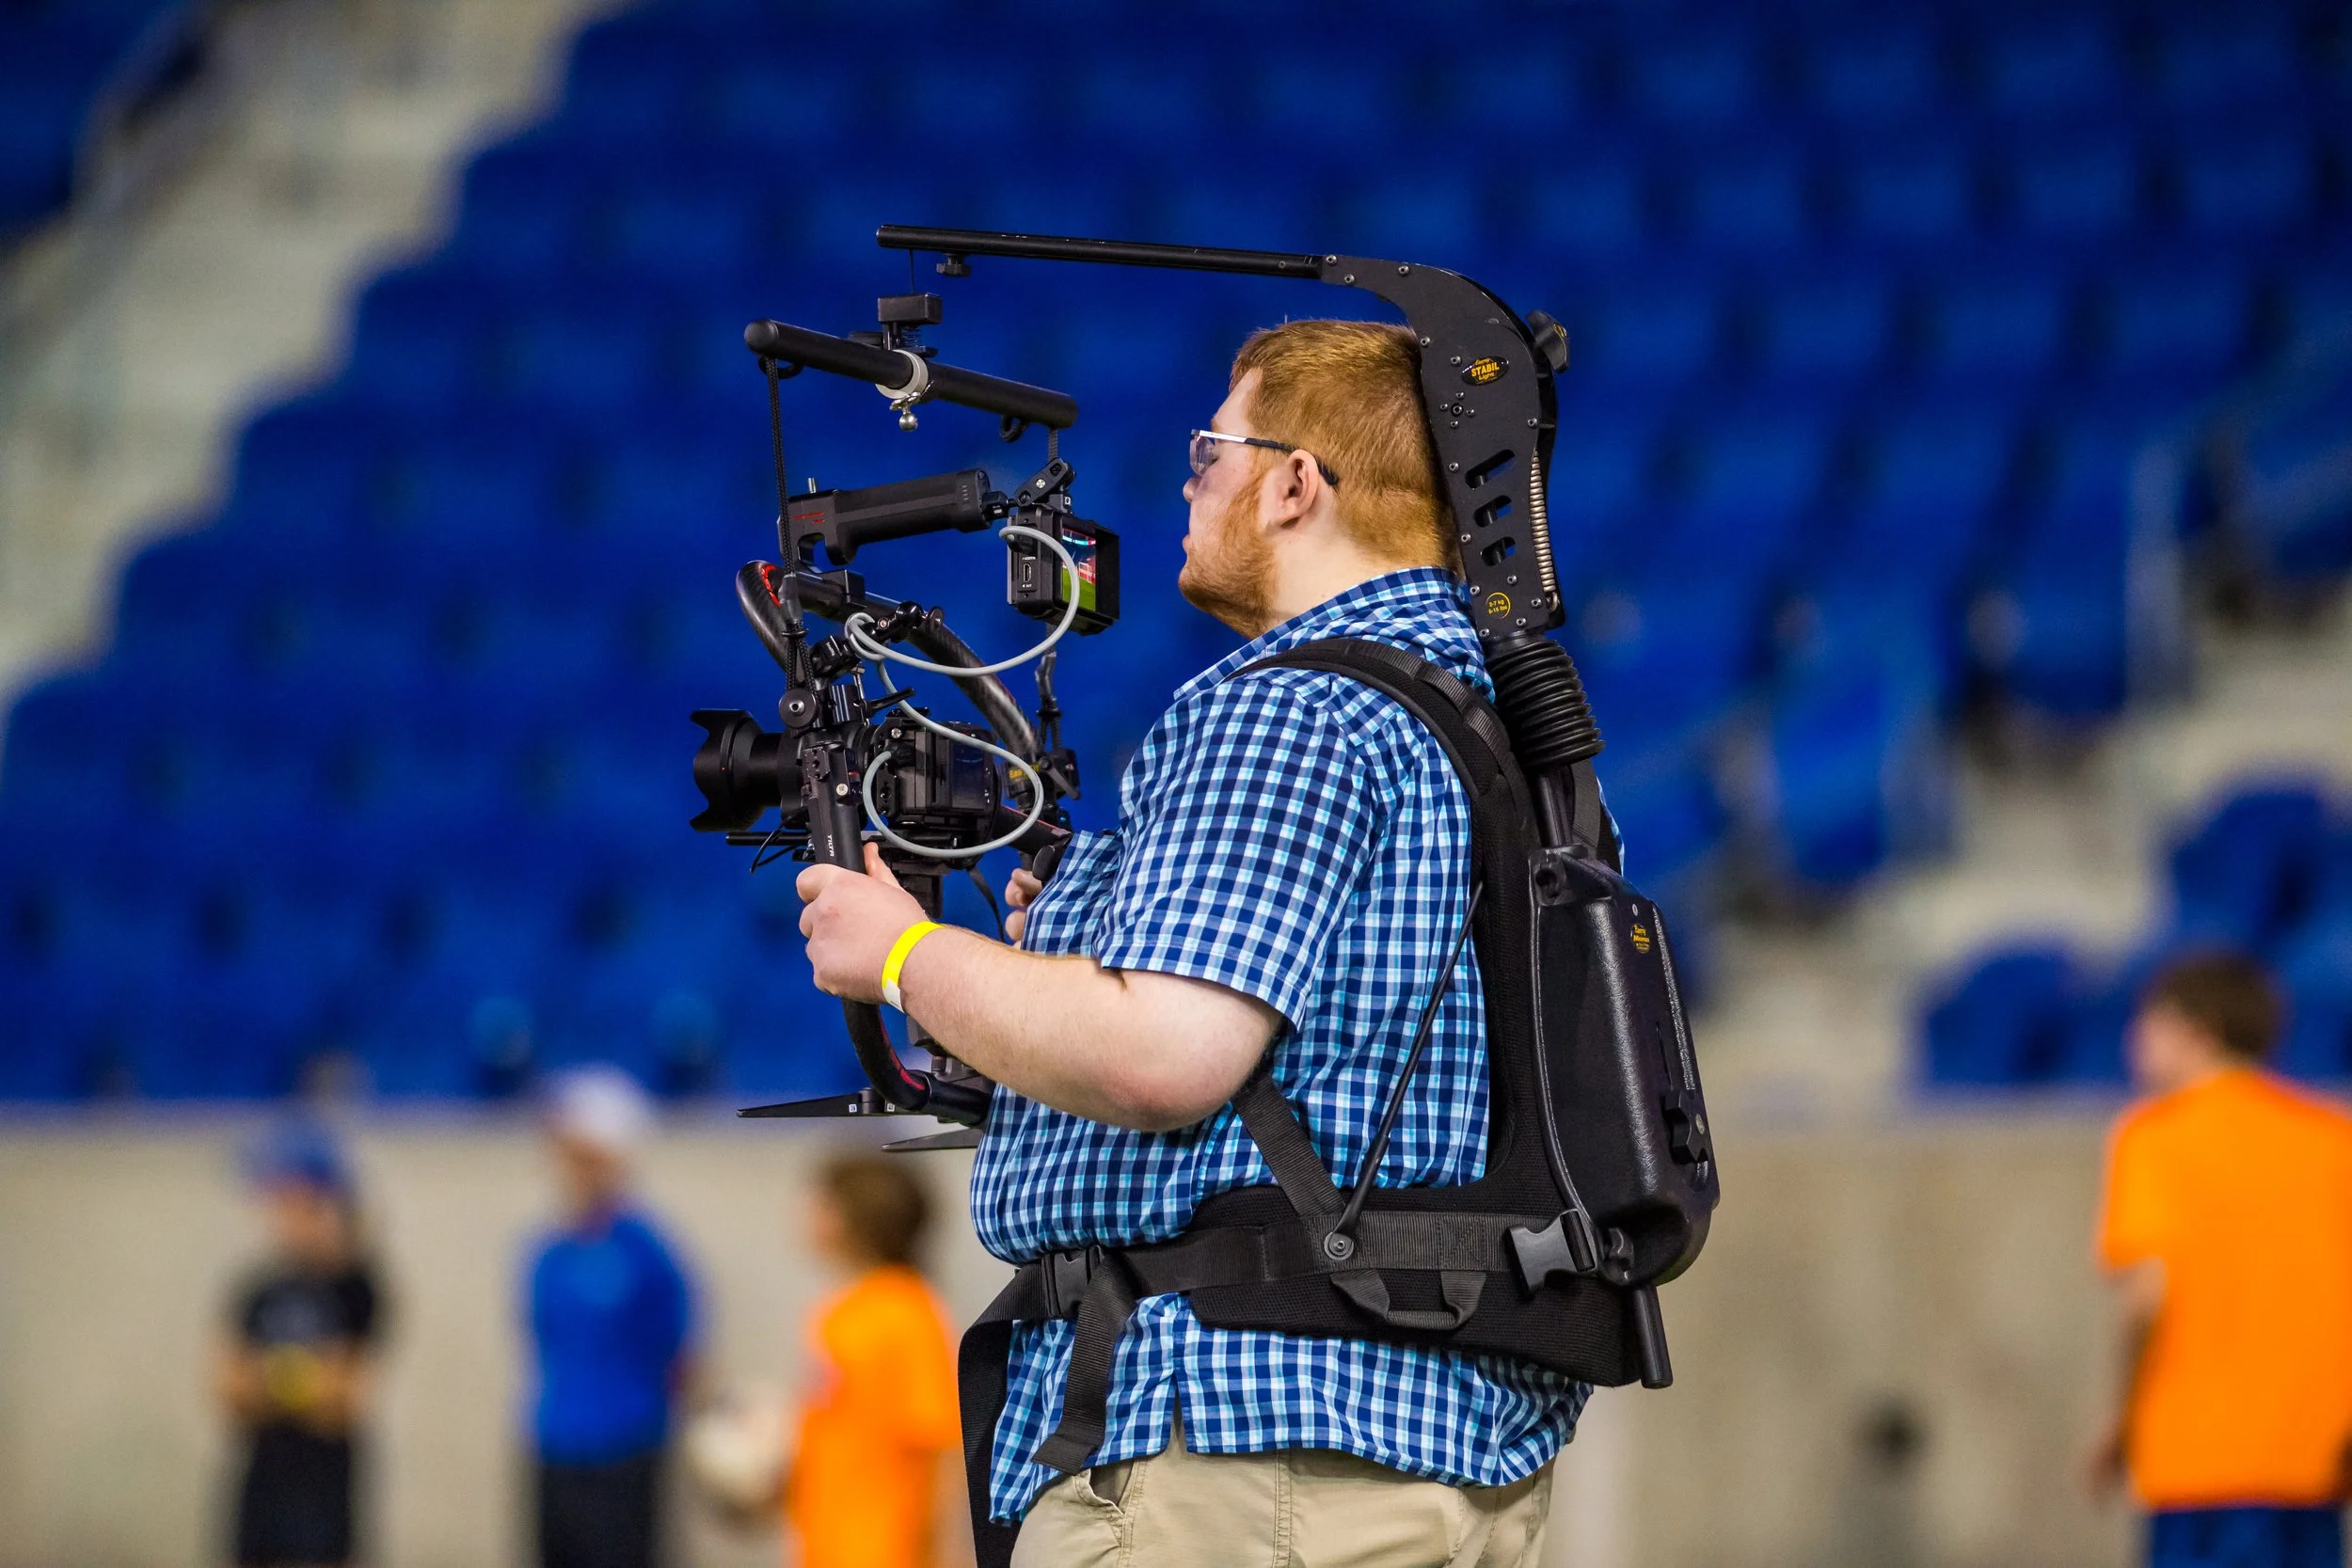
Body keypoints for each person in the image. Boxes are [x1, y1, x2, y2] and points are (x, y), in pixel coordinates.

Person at [795, 320, 1581, 1564]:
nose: (1186, 480)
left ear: (1295, 484)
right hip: (1424, 1447)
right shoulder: (1495, 725)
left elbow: (1160, 1054)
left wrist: (901, 953)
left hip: (1240, 1458)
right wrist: (1072, 951)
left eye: (1212, 450)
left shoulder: (1293, 707)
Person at [2090, 950, 2352, 1568]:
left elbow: (2148, 1294)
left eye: (2149, 1024)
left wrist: (2123, 1418)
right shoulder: (2333, 1137)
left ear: (2197, 1032)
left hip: (2197, 1460)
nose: (2133, 1042)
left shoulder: (2153, 1137)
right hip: (2313, 1459)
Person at [524, 1067, 697, 1568]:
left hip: (626, 1447)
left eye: (583, 1156)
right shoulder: (548, 1252)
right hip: (557, 1442)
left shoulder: (645, 1251)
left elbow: (680, 1351)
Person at [781, 1151, 963, 1568]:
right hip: (826, 1542)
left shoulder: (906, 1311)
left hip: (885, 1547)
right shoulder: (839, 1312)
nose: (807, 1214)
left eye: (823, 1203)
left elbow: (941, 1443)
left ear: (856, 1217)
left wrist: (946, 1549)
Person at [216, 1120, 383, 1568]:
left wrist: (266, 1378)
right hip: (261, 1483)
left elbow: (342, 1401)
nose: (277, 1212)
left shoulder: (355, 1288)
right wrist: (304, 1379)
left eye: (286, 1197)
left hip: (323, 1489)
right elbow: (227, 1391)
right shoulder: (256, 1289)